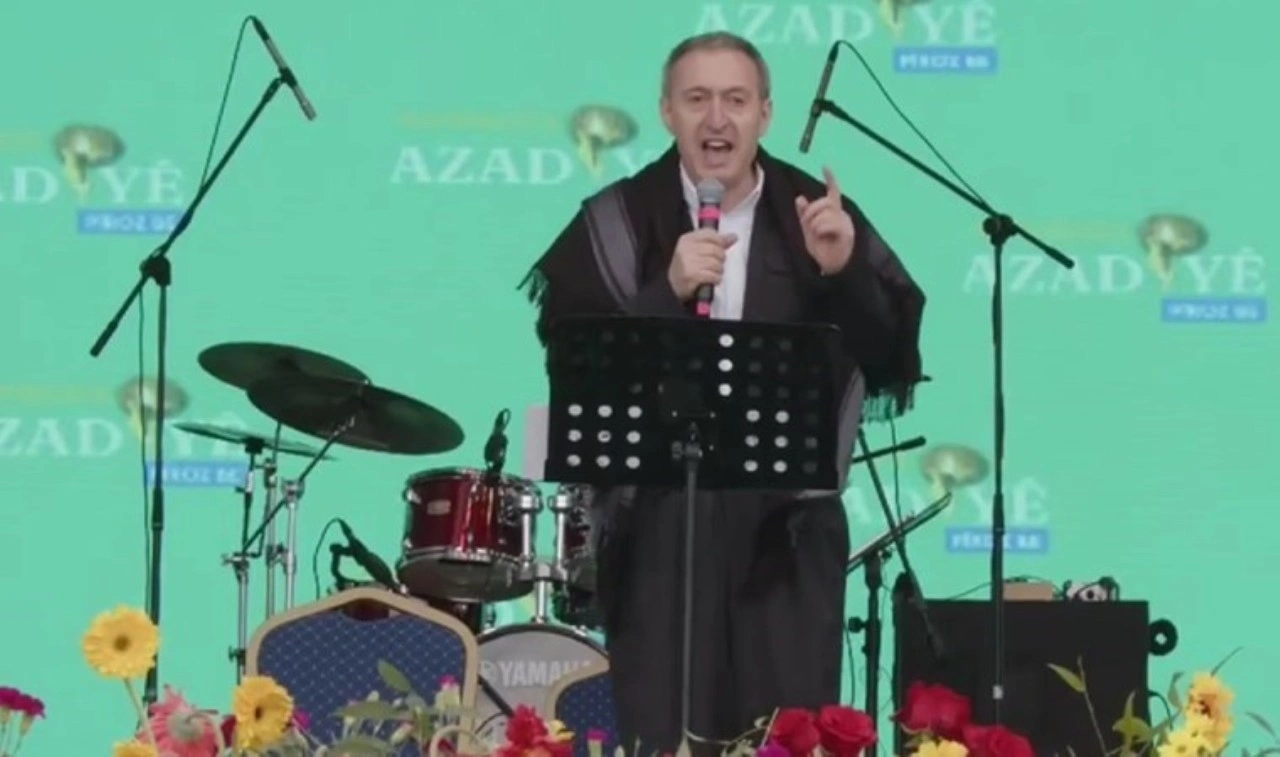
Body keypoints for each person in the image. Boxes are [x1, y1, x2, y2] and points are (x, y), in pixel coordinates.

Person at [518, 31, 927, 754]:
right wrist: (665, 291)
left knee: (783, 738)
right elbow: (574, 360)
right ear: (667, 112)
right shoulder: (621, 218)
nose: (717, 120)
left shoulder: (817, 214)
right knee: (659, 737)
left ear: (765, 114)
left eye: (736, 100)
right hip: (656, 531)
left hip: (786, 540)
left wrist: (843, 273)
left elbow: (889, 353)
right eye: (697, 99)